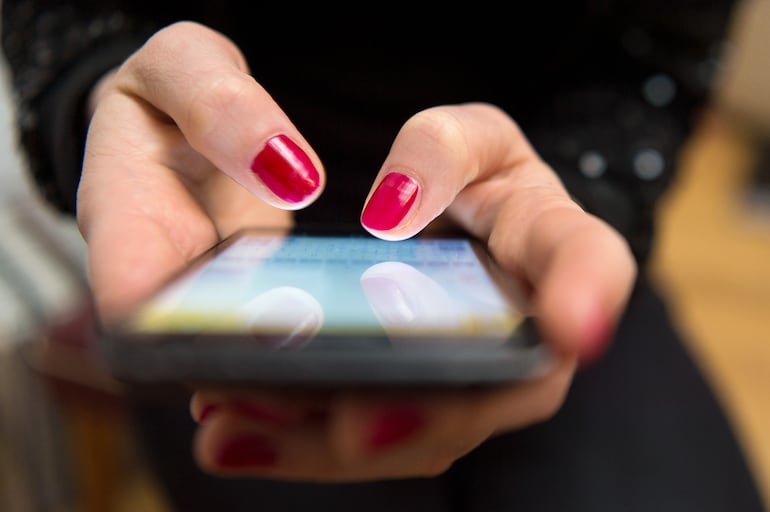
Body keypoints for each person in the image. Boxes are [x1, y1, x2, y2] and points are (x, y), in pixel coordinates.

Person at [2, 1, 765, 510]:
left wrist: (571, 198)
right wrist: (109, 89)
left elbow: (653, 65)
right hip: (229, 225)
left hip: (515, 216)